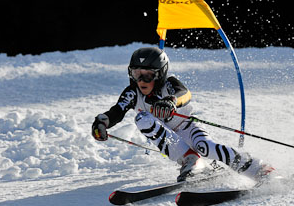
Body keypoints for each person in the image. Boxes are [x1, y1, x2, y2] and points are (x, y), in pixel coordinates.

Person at [92, 47, 274, 182]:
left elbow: (184, 94)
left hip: (187, 128)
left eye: (147, 75)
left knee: (206, 147)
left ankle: (259, 169)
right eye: (136, 74)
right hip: (169, 140)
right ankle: (191, 160)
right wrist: (102, 122)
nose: (141, 80)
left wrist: (171, 101)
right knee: (143, 119)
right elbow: (117, 111)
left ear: (160, 74)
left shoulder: (169, 84)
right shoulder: (132, 92)